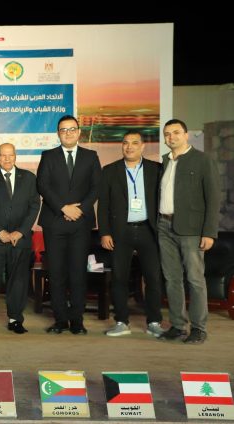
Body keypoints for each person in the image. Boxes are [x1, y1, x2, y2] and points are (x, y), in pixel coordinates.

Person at [157, 119, 221, 344]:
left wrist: (209, 232)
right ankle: (177, 326)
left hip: (192, 230)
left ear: (186, 135)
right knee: (172, 279)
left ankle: (199, 328)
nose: (171, 137)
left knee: (195, 279)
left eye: (176, 132)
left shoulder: (203, 160)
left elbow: (213, 198)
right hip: (164, 226)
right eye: (167, 134)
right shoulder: (165, 161)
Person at [36, 114, 101, 335]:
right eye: (63, 130)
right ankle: (60, 320)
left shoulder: (90, 156)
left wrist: (79, 209)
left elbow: (96, 187)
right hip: (54, 222)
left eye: (72, 129)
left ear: (79, 132)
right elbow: (42, 185)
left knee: (77, 273)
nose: (68, 133)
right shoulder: (48, 156)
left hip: (80, 223)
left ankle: (77, 320)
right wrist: (63, 208)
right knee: (56, 273)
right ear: (58, 134)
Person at [98, 131, 164, 338]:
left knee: (153, 278)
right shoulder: (110, 170)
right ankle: (121, 322)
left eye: (135, 143)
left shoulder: (156, 169)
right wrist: (104, 232)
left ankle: (154, 322)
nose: (129, 147)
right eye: (125, 143)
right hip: (120, 231)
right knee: (119, 278)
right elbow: (103, 205)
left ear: (142, 146)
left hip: (148, 230)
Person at [0, 143, 40, 334]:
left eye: (10, 155)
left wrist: (20, 232)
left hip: (20, 239)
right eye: (3, 155)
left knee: (18, 281)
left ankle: (15, 319)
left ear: (15, 156)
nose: (7, 159)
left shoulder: (29, 178)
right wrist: (0, 232)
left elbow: (34, 206)